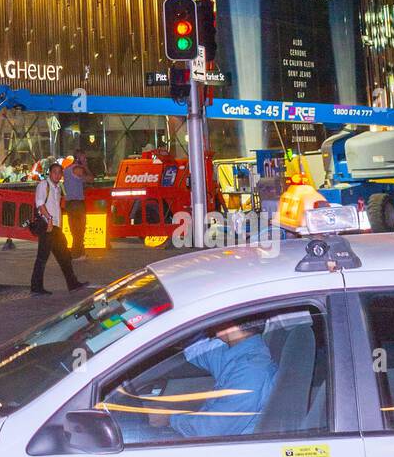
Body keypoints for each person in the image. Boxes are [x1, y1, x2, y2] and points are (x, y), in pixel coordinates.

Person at [114, 322, 277, 442]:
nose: (212, 326)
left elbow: (211, 430)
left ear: (232, 324)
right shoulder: (237, 352)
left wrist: (169, 418)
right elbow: (197, 350)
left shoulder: (252, 372)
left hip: (223, 453)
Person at [30, 162, 82, 296]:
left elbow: (57, 205)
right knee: (42, 257)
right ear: (50, 173)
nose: (57, 175)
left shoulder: (58, 187)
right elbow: (40, 204)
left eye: (60, 172)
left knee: (64, 256)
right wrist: (50, 220)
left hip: (56, 227)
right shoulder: (43, 185)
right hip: (48, 226)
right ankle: (36, 287)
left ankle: (73, 284)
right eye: (55, 172)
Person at [62, 151, 90, 258]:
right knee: (80, 229)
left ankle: (78, 252)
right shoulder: (78, 169)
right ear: (78, 158)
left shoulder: (67, 170)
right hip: (77, 203)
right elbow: (91, 178)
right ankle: (76, 254)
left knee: (74, 229)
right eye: (84, 158)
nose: (85, 160)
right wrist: (85, 166)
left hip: (69, 203)